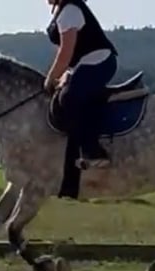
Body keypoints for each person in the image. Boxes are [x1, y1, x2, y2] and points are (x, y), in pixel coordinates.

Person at [44, 0, 118, 167]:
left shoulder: (70, 11)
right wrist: (64, 74)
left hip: (99, 61)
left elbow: (66, 53)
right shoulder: (62, 11)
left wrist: (50, 78)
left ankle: (93, 151)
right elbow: (65, 51)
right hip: (83, 64)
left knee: (69, 97)